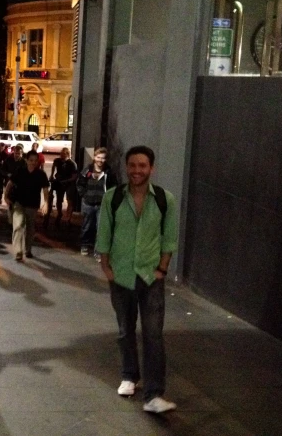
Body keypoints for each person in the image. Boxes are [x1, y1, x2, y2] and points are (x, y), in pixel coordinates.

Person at [95, 145, 178, 415]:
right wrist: (106, 267)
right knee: (124, 330)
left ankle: (155, 393)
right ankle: (130, 375)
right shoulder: (113, 197)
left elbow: (169, 238)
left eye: (142, 165)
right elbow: (104, 233)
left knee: (153, 334)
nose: (137, 170)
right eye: (132, 165)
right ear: (126, 167)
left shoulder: (165, 199)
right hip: (120, 275)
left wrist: (162, 269)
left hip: (151, 276)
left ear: (151, 168)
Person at [4, 150, 49, 261]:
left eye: (35, 161)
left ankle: (27, 249)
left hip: (33, 204)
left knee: (30, 228)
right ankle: (18, 251)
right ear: (27, 160)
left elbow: (45, 189)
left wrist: (46, 203)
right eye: (31, 160)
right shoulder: (20, 171)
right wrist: (5, 196)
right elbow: (10, 183)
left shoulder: (41, 174)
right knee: (18, 226)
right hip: (19, 202)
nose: (33, 163)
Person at [76, 147, 118, 260]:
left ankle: (98, 251)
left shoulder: (109, 172)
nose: (100, 160)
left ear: (106, 159)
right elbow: (79, 183)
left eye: (103, 158)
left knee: (101, 228)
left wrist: (109, 199)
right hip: (88, 203)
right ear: (94, 157)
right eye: (98, 157)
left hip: (102, 205)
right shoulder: (88, 170)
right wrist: (84, 195)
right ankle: (84, 245)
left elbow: (114, 187)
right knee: (86, 226)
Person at [46, 147, 78, 229]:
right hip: (59, 181)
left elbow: (74, 177)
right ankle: (58, 212)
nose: (61, 156)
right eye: (61, 154)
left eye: (63, 154)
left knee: (69, 200)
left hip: (69, 183)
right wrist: (52, 174)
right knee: (58, 198)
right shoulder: (57, 161)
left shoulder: (72, 164)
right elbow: (54, 166)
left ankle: (67, 218)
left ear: (67, 154)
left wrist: (66, 181)